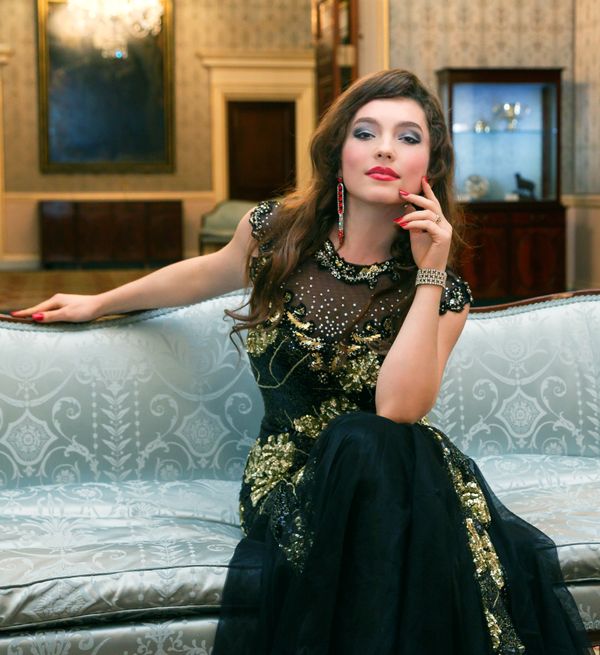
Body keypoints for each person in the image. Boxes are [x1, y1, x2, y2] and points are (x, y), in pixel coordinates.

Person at [12, 69, 591, 655]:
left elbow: (398, 408)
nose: (385, 149)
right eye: (366, 132)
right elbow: (202, 274)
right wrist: (99, 301)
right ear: (339, 150)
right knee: (366, 454)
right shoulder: (277, 234)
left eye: (408, 137)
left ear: (430, 166)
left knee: (371, 440)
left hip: (398, 481)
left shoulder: (445, 293)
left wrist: (431, 271)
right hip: (291, 481)